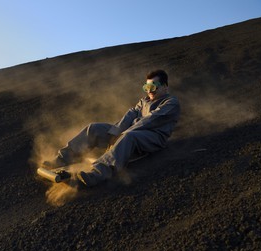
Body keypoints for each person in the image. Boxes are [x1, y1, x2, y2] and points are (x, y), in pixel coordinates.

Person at [44, 69, 181, 187]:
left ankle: (96, 175)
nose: (150, 91)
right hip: (132, 133)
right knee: (94, 128)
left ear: (165, 86)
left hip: (153, 138)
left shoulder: (171, 103)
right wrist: (115, 132)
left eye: (154, 86)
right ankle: (62, 159)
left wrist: (123, 134)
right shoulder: (143, 101)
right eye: (147, 87)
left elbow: (151, 120)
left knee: (128, 136)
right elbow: (130, 115)